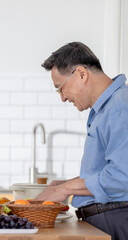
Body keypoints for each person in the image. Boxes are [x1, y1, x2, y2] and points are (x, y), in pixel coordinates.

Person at [35, 42, 128, 240]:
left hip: (117, 220)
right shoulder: (106, 109)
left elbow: (122, 177)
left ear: (81, 74)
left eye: (60, 88)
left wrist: (66, 189)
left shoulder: (120, 108)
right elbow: (109, 171)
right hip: (107, 220)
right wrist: (66, 184)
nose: (62, 98)